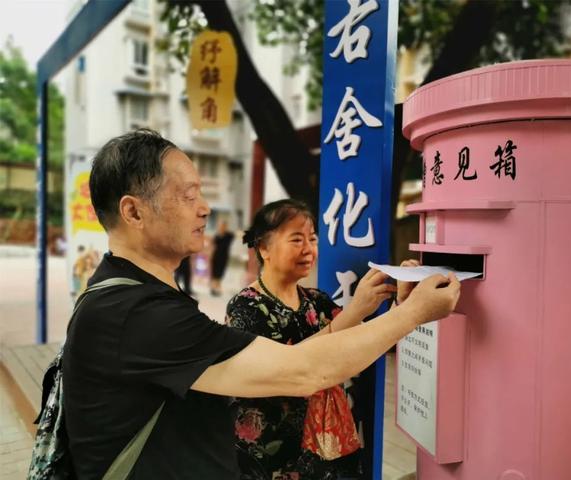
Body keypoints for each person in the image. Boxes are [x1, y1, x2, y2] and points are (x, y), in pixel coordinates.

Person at [62, 129, 460, 479]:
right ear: (133, 211)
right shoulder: (137, 313)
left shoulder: (136, 298)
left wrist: (382, 311)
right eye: (188, 195)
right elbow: (304, 371)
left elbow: (307, 359)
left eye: (201, 193)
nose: (204, 208)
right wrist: (413, 314)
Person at [226, 199, 415, 479]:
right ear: (263, 248)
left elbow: (363, 345)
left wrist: (404, 303)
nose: (308, 249)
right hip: (275, 455)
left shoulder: (318, 301)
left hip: (329, 450)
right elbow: (279, 369)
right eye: (296, 239)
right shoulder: (245, 307)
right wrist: (354, 311)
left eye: (312, 239)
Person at [210, 220, 234, 296]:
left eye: (223, 226)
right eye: (220, 226)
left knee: (220, 273)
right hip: (216, 256)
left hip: (224, 257)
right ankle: (214, 288)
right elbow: (212, 246)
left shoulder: (229, 236)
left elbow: (236, 234)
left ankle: (217, 288)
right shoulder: (216, 236)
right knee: (215, 273)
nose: (221, 227)